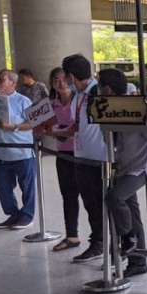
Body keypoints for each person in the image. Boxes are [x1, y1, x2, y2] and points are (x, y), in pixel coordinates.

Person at [97, 69, 147, 278]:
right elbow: (108, 140)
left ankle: (128, 238)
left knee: (114, 198)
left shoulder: (136, 108)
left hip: (138, 169)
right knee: (133, 215)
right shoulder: (104, 109)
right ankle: (138, 262)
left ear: (107, 88)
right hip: (121, 168)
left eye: (100, 86)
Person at [62, 54, 107, 263]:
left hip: (100, 158)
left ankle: (111, 244)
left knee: (103, 204)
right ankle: (97, 242)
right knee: (90, 204)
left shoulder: (99, 92)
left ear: (71, 76)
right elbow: (78, 125)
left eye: (65, 76)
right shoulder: (78, 94)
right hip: (82, 156)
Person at [0, 69, 36, 229]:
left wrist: (14, 127)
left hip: (22, 153)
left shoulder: (24, 101)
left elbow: (34, 123)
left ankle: (27, 216)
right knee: (2, 186)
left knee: (27, 187)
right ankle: (13, 214)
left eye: (1, 79)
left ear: (13, 82)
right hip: (1, 154)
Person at [44, 67, 81, 251]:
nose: (61, 83)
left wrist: (61, 131)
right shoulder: (51, 105)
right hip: (63, 155)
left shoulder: (80, 101)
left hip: (83, 155)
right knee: (68, 196)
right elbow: (46, 129)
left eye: (64, 79)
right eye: (55, 80)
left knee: (91, 198)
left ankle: (99, 240)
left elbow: (81, 129)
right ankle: (72, 235)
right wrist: (65, 132)